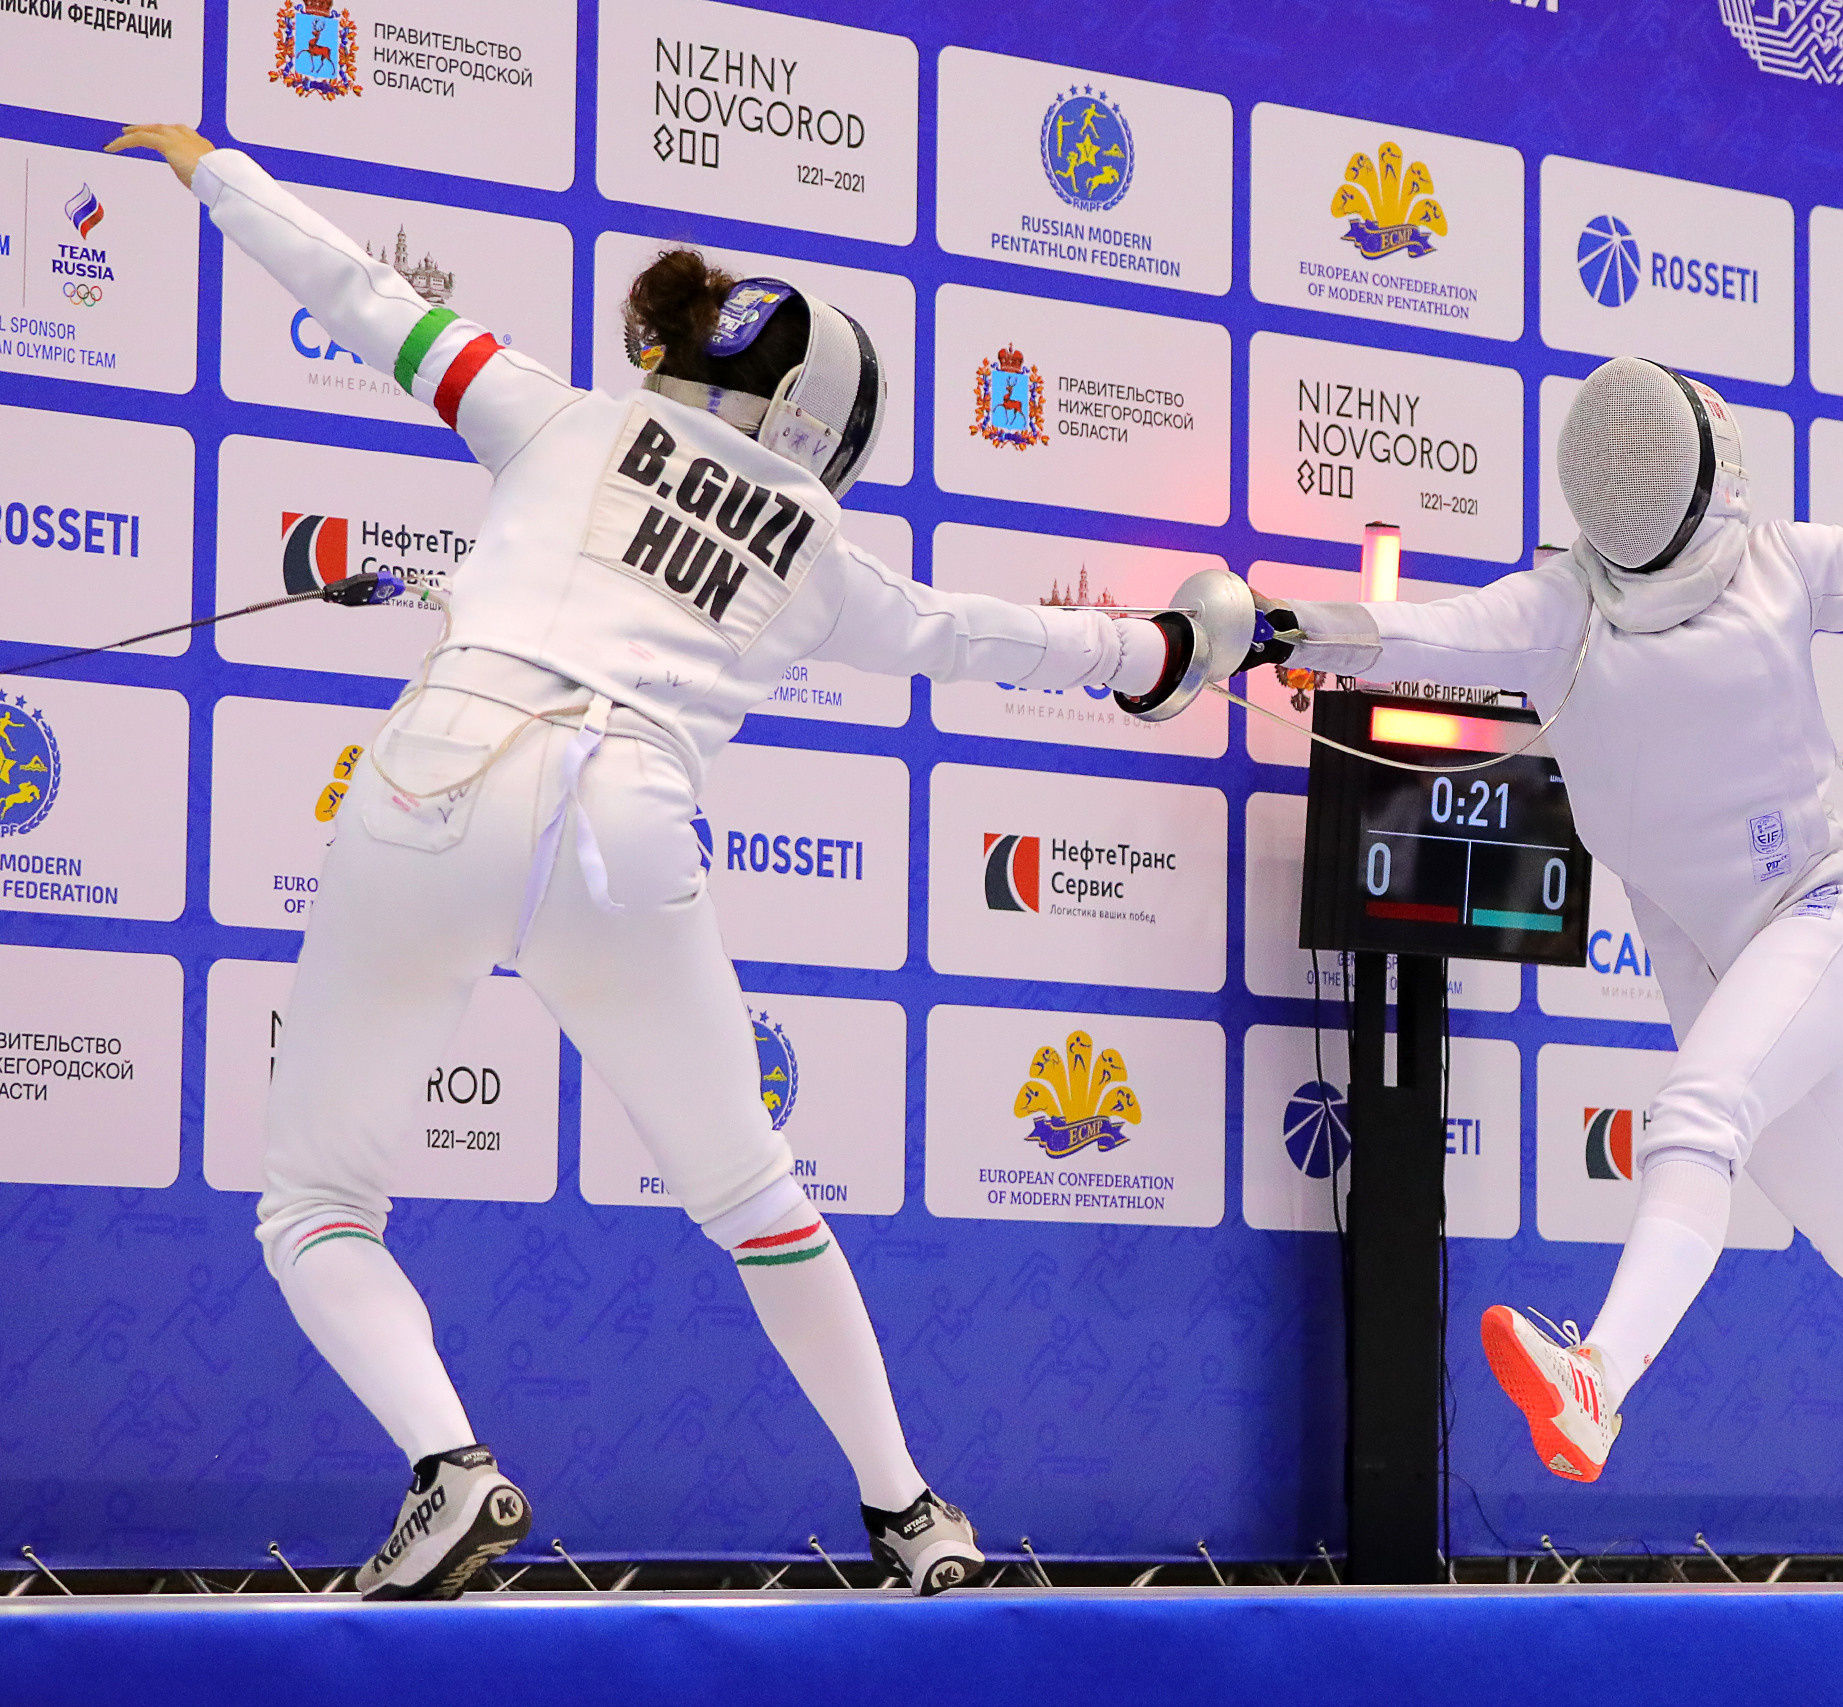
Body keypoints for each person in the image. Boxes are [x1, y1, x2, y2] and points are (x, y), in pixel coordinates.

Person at [105, 124, 1203, 1599]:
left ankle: (453, 1469)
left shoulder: (550, 418)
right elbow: (989, 632)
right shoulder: (815, 542)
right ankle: (913, 1514)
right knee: (755, 1196)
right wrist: (1163, 653)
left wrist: (211, 168)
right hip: (626, 825)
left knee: (315, 1202)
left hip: (439, 766)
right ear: (820, 428)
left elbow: (369, 298)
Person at [1242, 357, 1843, 1584]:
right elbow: (1418, 630)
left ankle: (1596, 1377)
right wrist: (1283, 629)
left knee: (1694, 1117)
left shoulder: (1779, 558)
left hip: (1818, 913)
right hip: (1712, 963)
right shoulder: (1568, 607)